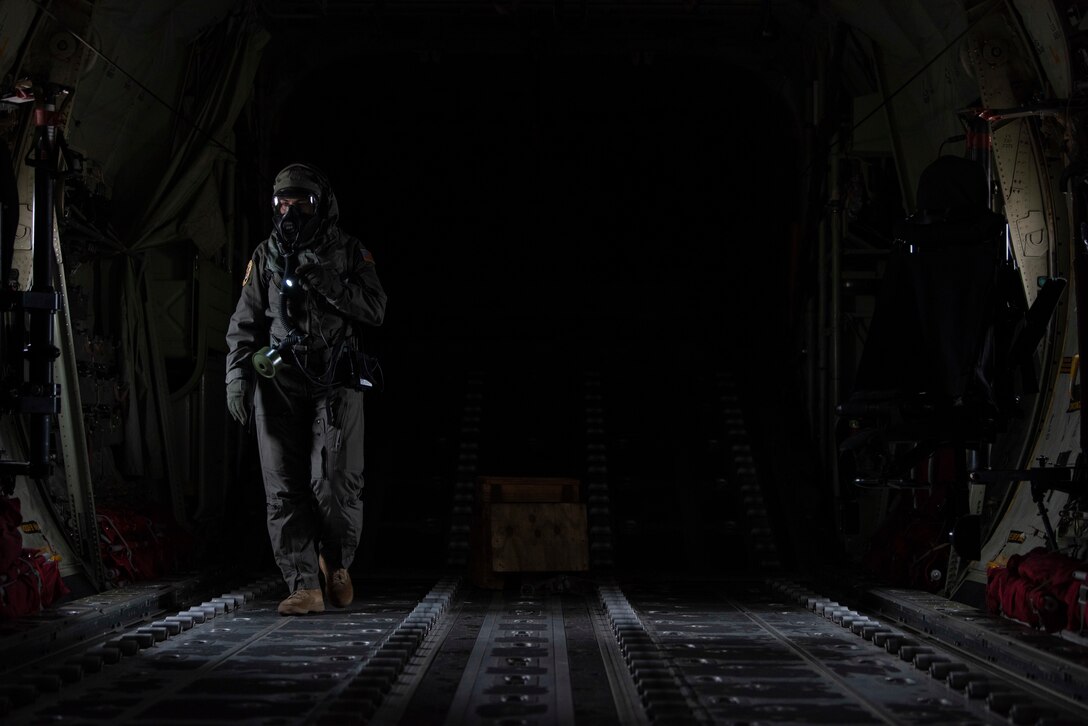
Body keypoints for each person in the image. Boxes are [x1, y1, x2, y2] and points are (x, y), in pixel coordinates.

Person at [225, 163, 387, 615]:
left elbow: (376, 308)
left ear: (321, 207)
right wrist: (237, 378)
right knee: (281, 487)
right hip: (278, 383)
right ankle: (303, 584)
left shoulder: (350, 252)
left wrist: (332, 285)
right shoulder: (266, 256)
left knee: (335, 482)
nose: (291, 213)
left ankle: (335, 564)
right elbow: (244, 324)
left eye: (302, 204)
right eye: (283, 204)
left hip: (334, 382)